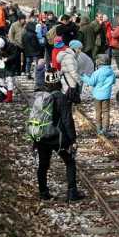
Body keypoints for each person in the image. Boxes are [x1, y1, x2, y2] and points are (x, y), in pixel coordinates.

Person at [34, 70, 85, 202]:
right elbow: (67, 120)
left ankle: (43, 192)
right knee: (69, 161)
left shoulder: (40, 96)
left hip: (42, 137)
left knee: (43, 165)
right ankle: (72, 193)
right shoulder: (61, 97)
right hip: (58, 138)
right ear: (58, 81)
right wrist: (73, 139)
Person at [81, 54, 116, 136]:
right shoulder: (111, 72)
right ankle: (105, 129)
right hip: (106, 95)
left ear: (98, 63)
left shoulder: (97, 72)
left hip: (97, 96)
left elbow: (91, 82)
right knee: (106, 111)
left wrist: (83, 77)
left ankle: (98, 128)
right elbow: (114, 81)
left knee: (98, 112)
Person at [0, 37, 18, 103]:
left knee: (10, 81)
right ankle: (3, 95)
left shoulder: (11, 46)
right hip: (1, 65)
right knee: (1, 81)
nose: (0, 50)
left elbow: (15, 55)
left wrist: (7, 59)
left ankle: (9, 97)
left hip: (10, 65)